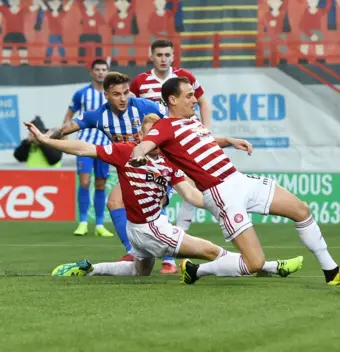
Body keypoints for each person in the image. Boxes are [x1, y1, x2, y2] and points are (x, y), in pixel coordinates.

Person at [25, 116, 303, 279]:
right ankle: (269, 267)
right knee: (212, 251)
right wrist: (47, 140)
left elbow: (192, 195)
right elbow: (84, 148)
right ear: (142, 135)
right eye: (149, 132)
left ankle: (89, 268)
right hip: (151, 228)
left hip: (139, 229)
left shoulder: (171, 164)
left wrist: (226, 204)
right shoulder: (126, 152)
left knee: (140, 272)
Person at [129, 77, 340, 285]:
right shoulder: (165, 126)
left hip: (239, 179)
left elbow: (206, 141)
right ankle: (196, 270)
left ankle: (331, 270)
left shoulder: (192, 122)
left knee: (301, 210)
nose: (195, 100)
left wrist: (229, 141)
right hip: (221, 194)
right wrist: (138, 156)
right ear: (172, 100)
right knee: (255, 263)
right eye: (189, 96)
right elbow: (144, 146)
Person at [42, 71, 180, 273]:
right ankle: (132, 251)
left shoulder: (145, 107)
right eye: (117, 94)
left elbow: (176, 121)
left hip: (161, 166)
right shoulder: (99, 115)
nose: (123, 98)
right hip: (131, 172)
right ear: (106, 95)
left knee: (155, 204)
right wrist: (43, 135)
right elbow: (67, 127)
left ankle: (169, 261)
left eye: (126, 92)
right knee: (114, 202)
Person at [130, 38, 213, 268]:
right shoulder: (140, 82)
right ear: (152, 56)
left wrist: (205, 129)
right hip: (157, 144)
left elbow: (203, 103)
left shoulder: (184, 78)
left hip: (183, 140)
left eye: (167, 54)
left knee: (191, 186)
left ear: (173, 56)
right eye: (159, 55)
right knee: (160, 194)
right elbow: (132, 110)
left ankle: (172, 250)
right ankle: (147, 249)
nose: (163, 59)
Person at [64, 59, 114, 238]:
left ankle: (100, 224)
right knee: (84, 182)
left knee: (100, 185)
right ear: (91, 72)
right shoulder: (81, 94)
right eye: (97, 69)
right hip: (84, 145)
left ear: (108, 72)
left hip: (104, 146)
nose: (101, 72)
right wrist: (65, 137)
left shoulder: (113, 94)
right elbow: (69, 116)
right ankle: (83, 222)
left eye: (104, 69)